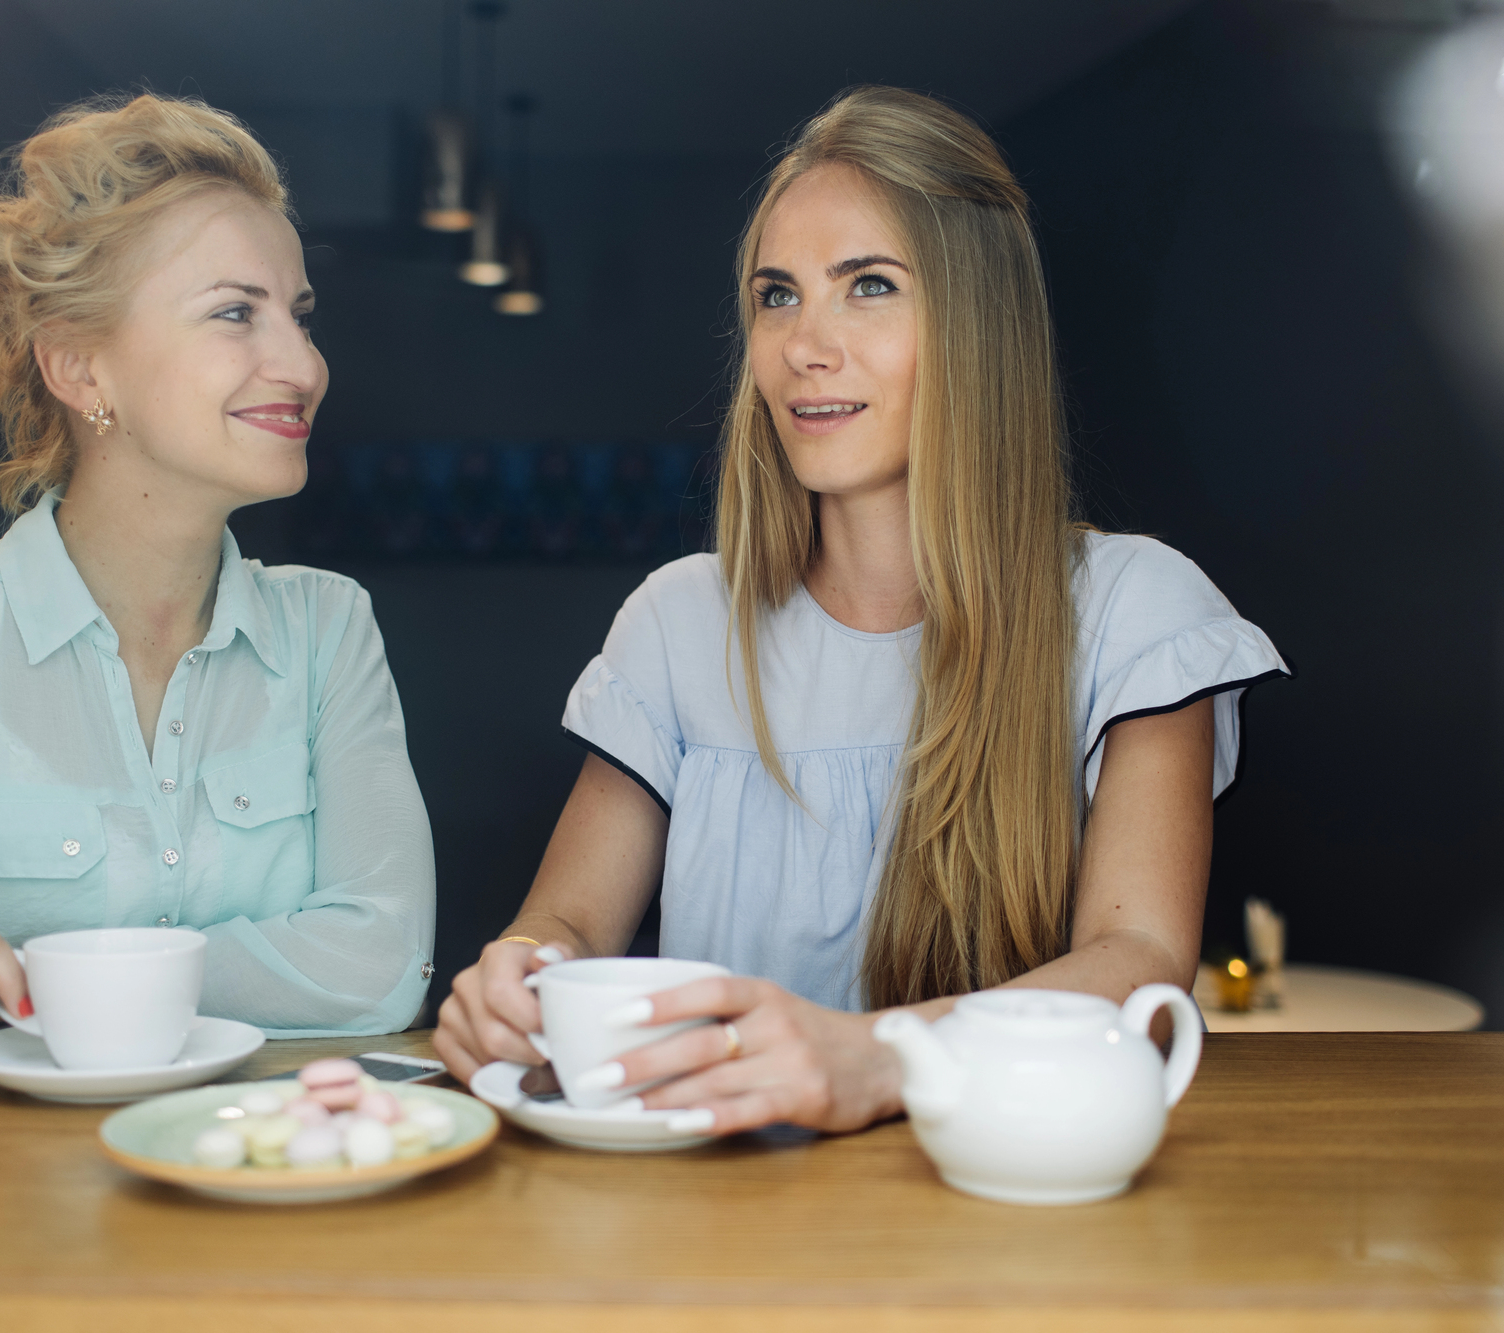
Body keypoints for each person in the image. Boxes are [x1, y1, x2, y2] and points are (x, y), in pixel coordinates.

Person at [437, 86, 1286, 1134]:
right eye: (776, 295)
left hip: (999, 1221)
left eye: (868, 286)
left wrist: (877, 1057)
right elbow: (563, 917)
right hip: (719, 1224)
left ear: (979, 325)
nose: (804, 344)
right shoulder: (676, 621)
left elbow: (1141, 963)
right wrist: (519, 974)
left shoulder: (1134, 610)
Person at [0, 94, 435, 1078]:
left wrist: (31, 982)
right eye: (236, 312)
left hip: (254, 1200)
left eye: (299, 317)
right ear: (77, 364)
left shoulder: (327, 630)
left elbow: (379, 963)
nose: (302, 364)